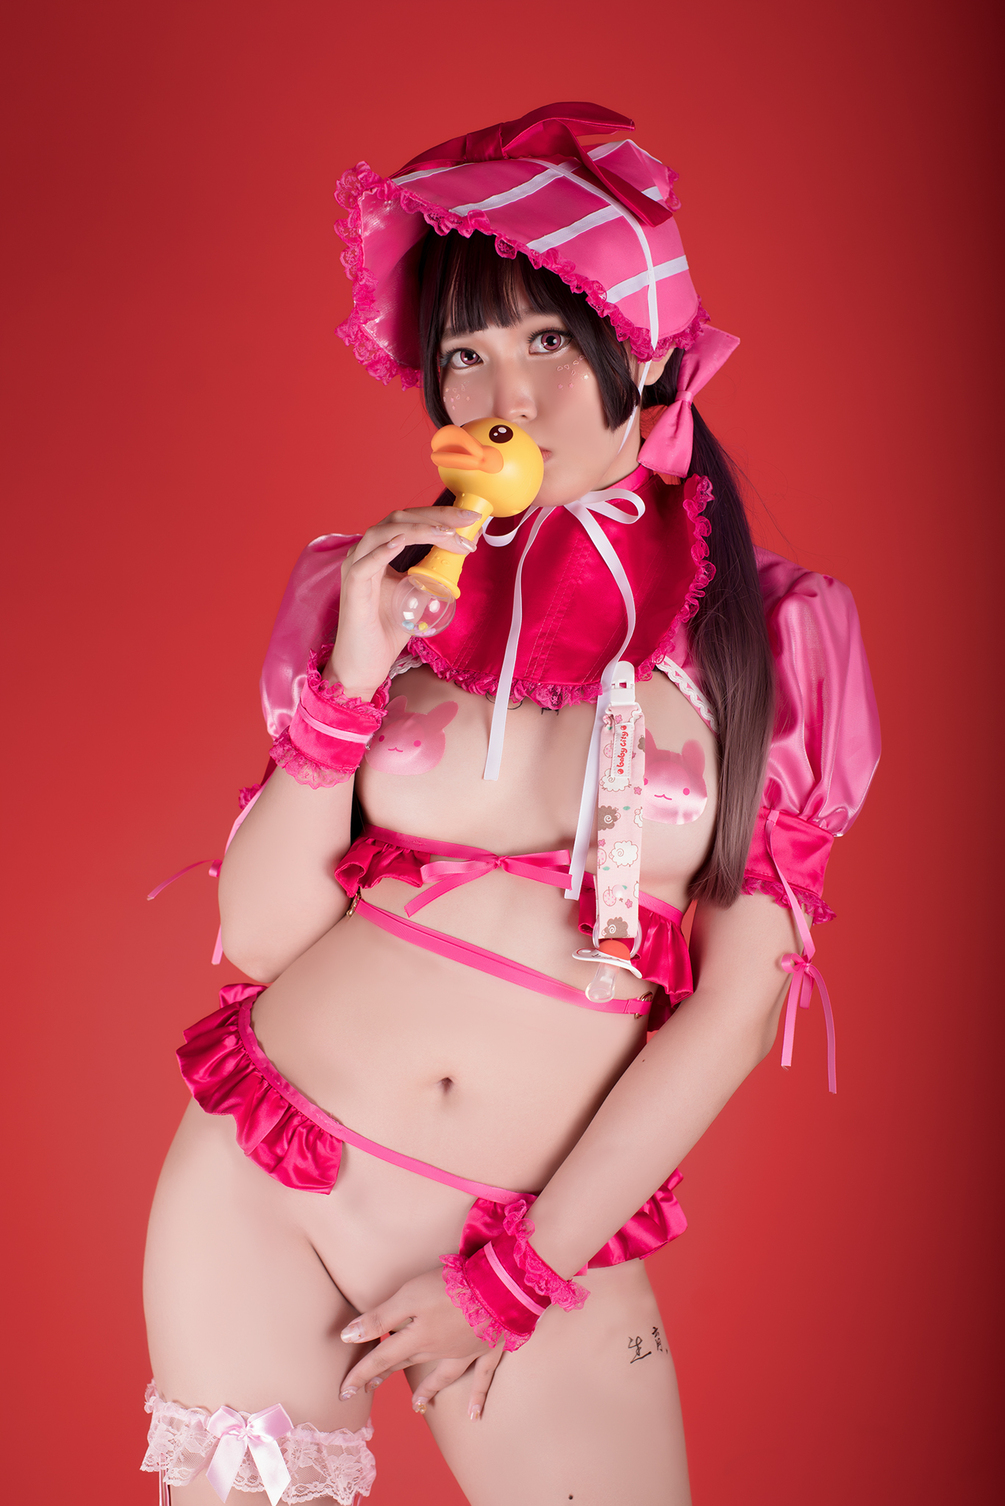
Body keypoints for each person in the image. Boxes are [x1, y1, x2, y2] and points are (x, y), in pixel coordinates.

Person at [141, 103, 880, 1506]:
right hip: (269, 1184)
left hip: (535, 1234)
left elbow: (734, 1007)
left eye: (547, 341)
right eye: (465, 355)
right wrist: (352, 678)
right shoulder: (374, 587)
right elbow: (262, 937)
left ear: (641, 347)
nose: (505, 392)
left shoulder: (776, 635)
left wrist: (517, 1275)